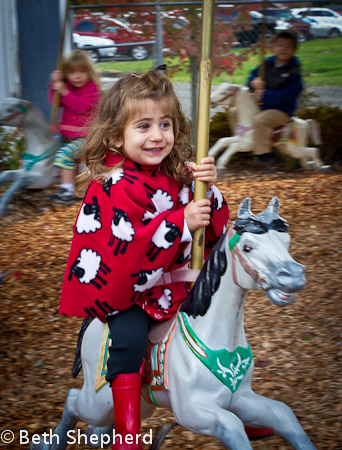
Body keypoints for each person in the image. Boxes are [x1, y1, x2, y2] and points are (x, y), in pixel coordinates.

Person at [58, 66, 229, 449]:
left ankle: (233, 402)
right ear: (117, 137)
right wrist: (179, 222)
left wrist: (209, 190)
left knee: (225, 321)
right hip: (131, 292)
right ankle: (127, 430)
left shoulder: (180, 176)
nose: (157, 136)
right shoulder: (113, 186)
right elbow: (127, 250)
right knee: (129, 338)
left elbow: (214, 230)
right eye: (144, 127)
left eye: (165, 124)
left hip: (179, 288)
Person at [48, 49, 101, 205]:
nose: (77, 76)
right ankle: (63, 180)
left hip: (87, 138)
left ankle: (67, 191)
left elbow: (81, 107)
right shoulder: (68, 87)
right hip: (67, 136)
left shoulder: (92, 89)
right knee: (49, 150)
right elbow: (56, 102)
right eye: (72, 72)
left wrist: (63, 90)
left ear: (89, 71)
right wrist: (55, 86)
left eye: (82, 71)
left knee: (64, 155)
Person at [247, 30, 303, 163]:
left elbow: (287, 96)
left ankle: (264, 154)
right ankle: (246, 143)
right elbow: (252, 76)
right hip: (263, 106)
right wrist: (253, 82)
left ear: (294, 50)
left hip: (282, 111)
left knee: (260, 120)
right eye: (280, 45)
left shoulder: (294, 72)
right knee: (237, 112)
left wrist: (265, 95)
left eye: (288, 46)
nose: (283, 49)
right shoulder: (267, 63)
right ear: (275, 47)